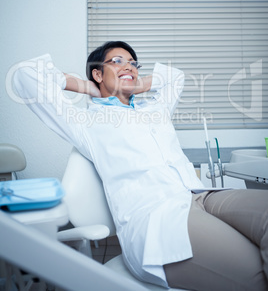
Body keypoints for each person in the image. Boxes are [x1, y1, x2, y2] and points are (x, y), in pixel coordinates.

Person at [13, 41, 268, 291]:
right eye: (117, 61)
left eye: (134, 64)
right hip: (159, 219)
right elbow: (27, 76)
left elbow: (175, 77)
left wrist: (126, 84)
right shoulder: (85, 122)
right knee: (255, 271)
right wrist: (92, 89)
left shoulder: (155, 109)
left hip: (198, 195)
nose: (130, 67)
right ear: (97, 73)